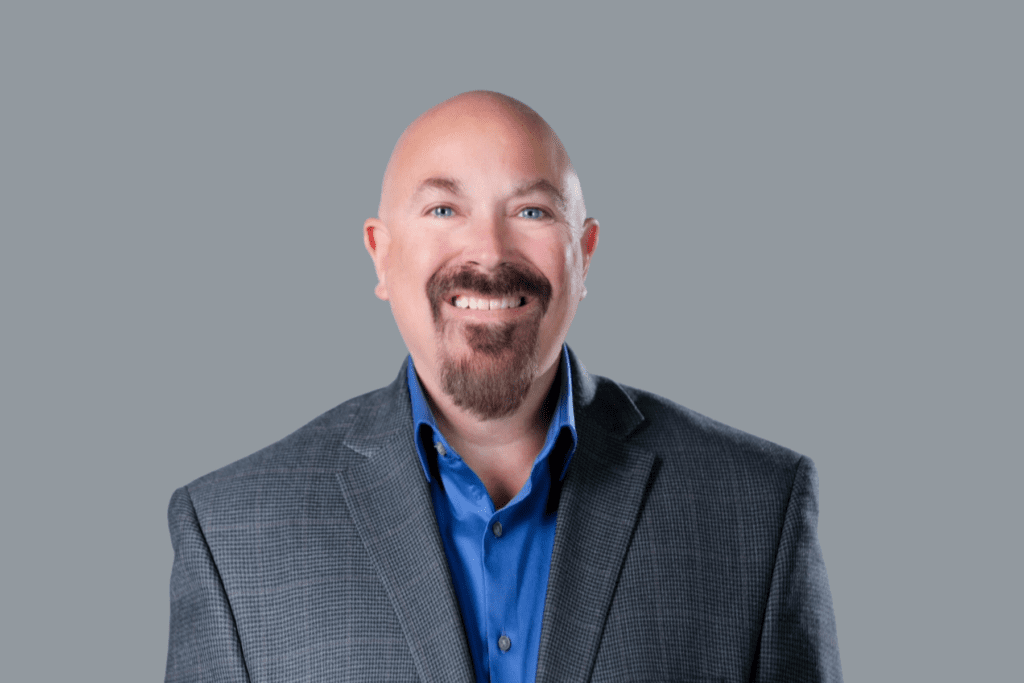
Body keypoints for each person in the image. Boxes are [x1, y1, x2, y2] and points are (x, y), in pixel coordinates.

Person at [165, 91, 842, 683]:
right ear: (380, 251)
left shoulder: (756, 508)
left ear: (585, 253)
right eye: (441, 209)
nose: (488, 253)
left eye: (531, 212)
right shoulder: (232, 533)